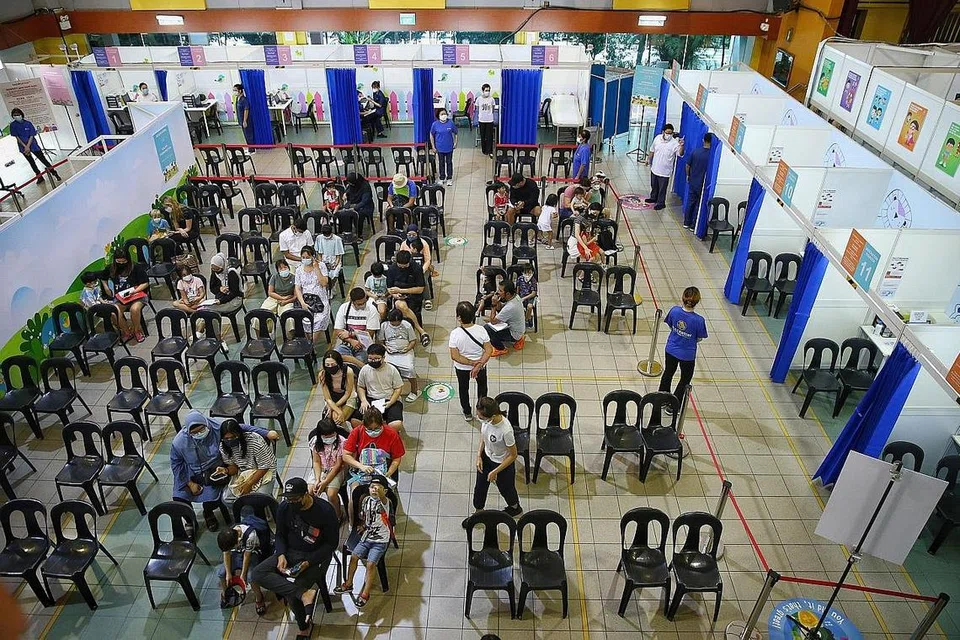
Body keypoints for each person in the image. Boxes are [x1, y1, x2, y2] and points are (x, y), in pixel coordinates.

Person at [251, 477, 339, 638]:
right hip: (291, 551)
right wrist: (281, 554)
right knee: (257, 574)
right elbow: (280, 534)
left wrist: (308, 562)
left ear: (306, 494)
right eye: (288, 498)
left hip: (316, 555)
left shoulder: (325, 510)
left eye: (295, 499)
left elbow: (331, 544)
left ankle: (304, 626)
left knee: (291, 596)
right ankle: (303, 593)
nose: (291, 502)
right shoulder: (285, 507)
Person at [169, 410, 274, 532]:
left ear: (206, 425)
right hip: (190, 472)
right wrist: (189, 482)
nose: (199, 433)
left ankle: (208, 513)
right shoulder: (179, 442)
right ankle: (190, 521)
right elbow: (176, 464)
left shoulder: (216, 426)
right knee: (179, 497)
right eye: (194, 433)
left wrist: (266, 433)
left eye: (201, 430)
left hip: (215, 469)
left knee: (214, 495)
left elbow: (239, 428)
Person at [334, 476, 393, 607]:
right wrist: (363, 526)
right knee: (354, 556)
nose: (374, 490)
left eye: (378, 488)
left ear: (385, 491)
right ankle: (348, 583)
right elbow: (366, 517)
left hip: (380, 540)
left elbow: (382, 499)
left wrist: (380, 493)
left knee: (371, 564)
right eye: (372, 487)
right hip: (366, 537)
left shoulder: (385, 502)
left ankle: (365, 593)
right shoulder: (366, 500)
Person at [468, 397, 522, 524]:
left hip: (502, 463)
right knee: (480, 488)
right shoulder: (486, 421)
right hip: (486, 458)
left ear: (492, 416)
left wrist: (495, 472)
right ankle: (478, 512)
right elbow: (483, 436)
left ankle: (515, 508)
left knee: (506, 489)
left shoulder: (506, 430)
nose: (478, 418)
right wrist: (478, 456)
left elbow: (513, 455)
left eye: (480, 417)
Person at [341, 408, 404, 506]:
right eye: (370, 429)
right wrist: (361, 466)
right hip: (361, 472)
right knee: (354, 499)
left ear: (382, 423)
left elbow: (396, 458)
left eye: (377, 428)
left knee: (384, 498)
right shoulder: (357, 432)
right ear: (363, 424)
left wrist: (388, 473)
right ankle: (354, 520)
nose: (374, 432)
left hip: (384, 472)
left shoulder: (392, 434)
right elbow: (346, 455)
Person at [658, 286, 708, 409]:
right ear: (697, 301)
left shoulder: (674, 311)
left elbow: (670, 325)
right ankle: (673, 406)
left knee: (668, 373)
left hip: (671, 349)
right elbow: (699, 338)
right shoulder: (699, 320)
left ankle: (662, 399)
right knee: (685, 379)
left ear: (683, 298)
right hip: (687, 355)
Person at [215, 418, 279, 507]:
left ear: (239, 434)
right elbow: (234, 467)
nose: (230, 440)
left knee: (257, 500)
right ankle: (249, 517)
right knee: (227, 499)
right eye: (226, 438)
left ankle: (258, 517)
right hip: (243, 472)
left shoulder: (254, 441)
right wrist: (226, 470)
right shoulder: (223, 446)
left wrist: (249, 484)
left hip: (264, 471)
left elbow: (265, 466)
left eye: (233, 437)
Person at [449, 301, 493, 421]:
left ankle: (467, 412)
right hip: (481, 367)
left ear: (459, 317)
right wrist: (478, 365)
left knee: (463, 389)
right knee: (482, 388)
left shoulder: (455, 334)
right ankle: (482, 411)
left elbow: (455, 356)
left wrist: (471, 363)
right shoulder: (481, 330)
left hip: (462, 368)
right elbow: (489, 350)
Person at [216, 518, 266, 612]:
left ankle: (259, 597)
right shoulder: (228, 537)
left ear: (238, 541)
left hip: (252, 554)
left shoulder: (251, 536)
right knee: (221, 573)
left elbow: (247, 556)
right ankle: (226, 593)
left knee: (251, 577)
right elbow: (226, 553)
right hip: (237, 553)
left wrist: (243, 575)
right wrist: (228, 573)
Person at [102, 252, 150, 343]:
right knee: (113, 313)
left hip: (136, 295)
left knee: (134, 309)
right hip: (120, 297)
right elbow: (103, 277)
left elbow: (145, 283)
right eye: (118, 262)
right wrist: (106, 287)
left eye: (123, 262)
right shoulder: (111, 268)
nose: (121, 264)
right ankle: (126, 332)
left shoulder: (135, 267)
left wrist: (133, 292)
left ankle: (137, 331)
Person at [386, 250, 430, 346]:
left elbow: (420, 289)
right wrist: (395, 294)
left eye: (404, 266)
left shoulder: (416, 268)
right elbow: (389, 288)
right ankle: (421, 331)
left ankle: (415, 332)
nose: (402, 267)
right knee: (400, 304)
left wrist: (401, 291)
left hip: (413, 296)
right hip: (398, 297)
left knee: (404, 307)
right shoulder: (392, 269)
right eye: (400, 265)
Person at [357, 345, 404, 430]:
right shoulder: (364, 370)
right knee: (356, 421)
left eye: (376, 359)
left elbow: (398, 388)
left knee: (396, 425)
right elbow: (361, 386)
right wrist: (363, 400)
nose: (373, 361)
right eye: (370, 359)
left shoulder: (392, 369)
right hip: (370, 399)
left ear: (383, 358)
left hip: (389, 399)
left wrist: (391, 401)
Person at [308, 416, 346, 521]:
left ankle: (337, 516)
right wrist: (317, 480)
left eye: (332, 434)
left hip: (336, 470)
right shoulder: (315, 442)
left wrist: (325, 482)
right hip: (320, 469)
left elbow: (338, 465)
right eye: (326, 435)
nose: (329, 437)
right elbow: (316, 462)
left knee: (331, 494)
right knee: (310, 491)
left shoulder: (341, 442)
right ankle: (317, 516)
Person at [10, 108, 60, 184]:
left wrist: (28, 146)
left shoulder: (28, 123)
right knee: (32, 162)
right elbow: (17, 137)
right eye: (15, 115)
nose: (17, 116)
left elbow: (32, 135)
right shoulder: (13, 125)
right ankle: (39, 176)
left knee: (43, 160)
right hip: (23, 146)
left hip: (33, 145)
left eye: (18, 114)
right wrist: (25, 147)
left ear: (21, 114)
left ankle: (55, 174)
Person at [334, 287, 381, 365]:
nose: (362, 305)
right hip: (347, 344)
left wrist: (350, 334)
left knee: (356, 365)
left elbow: (369, 334)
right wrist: (351, 341)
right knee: (335, 360)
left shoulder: (372, 310)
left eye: (364, 302)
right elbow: (338, 330)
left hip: (364, 346)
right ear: (352, 302)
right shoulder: (344, 308)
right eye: (359, 304)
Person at [381, 308, 420, 403]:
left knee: (410, 369)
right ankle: (389, 391)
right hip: (390, 353)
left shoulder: (407, 325)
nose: (395, 325)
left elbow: (413, 341)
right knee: (383, 369)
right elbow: (381, 341)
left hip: (405, 352)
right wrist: (385, 348)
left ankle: (415, 391)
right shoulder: (384, 326)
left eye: (397, 323)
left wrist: (408, 348)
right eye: (393, 323)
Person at [294, 246, 330, 342]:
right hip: (306, 300)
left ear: (313, 256)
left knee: (319, 319)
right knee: (303, 319)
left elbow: (324, 283)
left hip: (320, 300)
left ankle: (311, 345)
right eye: (303, 257)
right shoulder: (299, 270)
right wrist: (302, 302)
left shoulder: (321, 266)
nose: (305, 259)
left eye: (307, 257)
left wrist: (316, 268)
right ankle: (308, 340)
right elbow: (297, 288)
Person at [647, 123, 685, 210]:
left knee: (662, 189)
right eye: (667, 133)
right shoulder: (657, 138)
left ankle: (661, 203)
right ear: (663, 132)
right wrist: (649, 160)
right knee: (654, 185)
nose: (669, 135)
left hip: (665, 171)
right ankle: (653, 198)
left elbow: (680, 154)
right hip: (655, 168)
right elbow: (652, 150)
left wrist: (682, 146)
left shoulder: (674, 143)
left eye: (671, 133)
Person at [485, 280, 526, 356]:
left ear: (507, 293)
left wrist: (493, 304)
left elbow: (493, 321)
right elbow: (501, 308)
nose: (497, 292)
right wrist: (498, 301)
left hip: (514, 333)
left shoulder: (510, 307)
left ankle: (501, 349)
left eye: (500, 291)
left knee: (487, 328)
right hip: (519, 328)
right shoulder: (515, 296)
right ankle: (519, 339)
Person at [684, 133, 712, 231]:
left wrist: (688, 176)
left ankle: (686, 222)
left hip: (693, 181)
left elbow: (687, 165)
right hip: (703, 185)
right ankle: (694, 226)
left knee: (690, 203)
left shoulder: (695, 152)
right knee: (699, 205)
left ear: (703, 140)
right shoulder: (712, 156)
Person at [430, 108, 458, 186]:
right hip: (439, 148)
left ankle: (449, 178)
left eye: (445, 114)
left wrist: (455, 143)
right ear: (438, 116)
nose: (444, 115)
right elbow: (431, 134)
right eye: (442, 114)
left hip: (449, 147)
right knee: (441, 163)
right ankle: (442, 178)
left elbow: (456, 133)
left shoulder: (451, 123)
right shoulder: (435, 124)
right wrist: (433, 146)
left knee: (449, 162)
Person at [476, 83, 497, 156]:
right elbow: (477, 108)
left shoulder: (492, 99)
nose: (487, 92)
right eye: (486, 90)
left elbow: (493, 108)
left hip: (489, 120)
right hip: (481, 120)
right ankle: (484, 150)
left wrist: (489, 114)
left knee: (489, 136)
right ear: (483, 91)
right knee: (483, 135)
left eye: (488, 90)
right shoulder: (479, 99)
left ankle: (490, 151)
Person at [516, 264, 538, 328]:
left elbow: (533, 293)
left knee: (529, 306)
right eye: (526, 272)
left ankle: (526, 320)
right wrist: (517, 297)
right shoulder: (520, 278)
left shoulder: (533, 281)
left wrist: (524, 298)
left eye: (529, 272)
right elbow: (518, 289)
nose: (528, 274)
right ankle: (527, 317)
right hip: (521, 296)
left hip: (530, 297)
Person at [234, 84, 255, 152]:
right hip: (241, 120)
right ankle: (249, 148)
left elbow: (246, 110)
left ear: (240, 91)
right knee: (245, 135)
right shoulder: (238, 99)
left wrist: (245, 120)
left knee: (249, 135)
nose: (234, 92)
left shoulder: (244, 99)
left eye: (235, 90)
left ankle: (252, 149)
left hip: (246, 120)